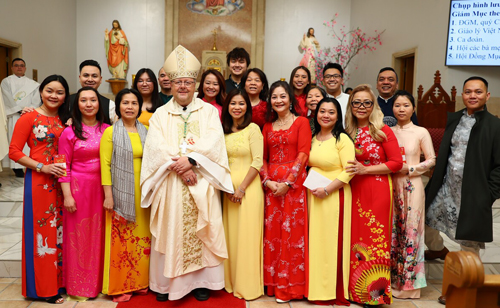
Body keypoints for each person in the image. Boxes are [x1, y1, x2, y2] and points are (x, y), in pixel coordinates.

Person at [140, 45, 234, 302]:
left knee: (201, 230)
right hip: (171, 182)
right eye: (178, 82)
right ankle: (165, 284)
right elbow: (156, 147)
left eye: (187, 82)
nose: (182, 87)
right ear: (170, 84)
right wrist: (181, 168)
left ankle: (200, 283)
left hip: (201, 179)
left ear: (195, 85)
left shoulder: (208, 112)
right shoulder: (160, 113)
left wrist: (192, 161)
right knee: (171, 230)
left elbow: (215, 142)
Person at [424, 76, 500, 305]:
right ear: (462, 96)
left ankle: (463, 289)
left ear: (487, 96)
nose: (473, 96)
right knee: (425, 221)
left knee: (468, 243)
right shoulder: (454, 119)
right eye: (468, 92)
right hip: (446, 186)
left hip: (473, 192)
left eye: (478, 92)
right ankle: (437, 249)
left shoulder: (494, 126)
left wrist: (488, 194)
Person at [8, 75, 71, 304]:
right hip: (39, 183)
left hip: (63, 183)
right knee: (42, 235)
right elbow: (14, 151)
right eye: (49, 90)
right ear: (41, 91)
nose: (54, 95)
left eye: (60, 92)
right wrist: (42, 166)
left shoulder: (67, 119)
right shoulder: (29, 118)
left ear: (65, 96)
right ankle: (44, 289)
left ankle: (60, 282)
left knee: (61, 235)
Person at [344, 84, 403, 306]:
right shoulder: (347, 130)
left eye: (366, 102)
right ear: (351, 105)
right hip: (353, 189)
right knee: (354, 241)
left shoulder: (382, 130)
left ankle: (374, 296)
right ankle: (354, 291)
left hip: (377, 189)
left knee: (374, 239)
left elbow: (396, 163)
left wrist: (365, 169)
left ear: (373, 105)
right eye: (356, 102)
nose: (361, 106)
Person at [260, 81, 311, 303]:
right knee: (273, 237)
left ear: (291, 98)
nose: (278, 100)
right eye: (274, 97)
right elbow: (262, 157)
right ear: (270, 101)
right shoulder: (267, 126)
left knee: (292, 236)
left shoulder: (302, 122)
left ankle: (290, 288)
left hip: (294, 188)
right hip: (272, 189)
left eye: (282, 96)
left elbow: (303, 153)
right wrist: (267, 181)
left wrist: (288, 182)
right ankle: (272, 285)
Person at [58, 87, 109, 301]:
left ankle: (100, 283)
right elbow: (62, 166)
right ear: (76, 104)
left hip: (103, 189)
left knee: (100, 235)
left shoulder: (108, 129)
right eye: (83, 100)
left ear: (99, 103)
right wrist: (67, 195)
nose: (89, 104)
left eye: (93, 100)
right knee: (79, 237)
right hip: (78, 190)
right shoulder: (69, 132)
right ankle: (79, 286)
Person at [100, 88, 151, 302]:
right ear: (118, 106)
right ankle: (120, 285)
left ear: (140, 107)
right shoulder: (111, 132)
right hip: (121, 194)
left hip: (143, 193)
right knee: (121, 241)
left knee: (142, 239)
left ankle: (139, 282)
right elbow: (105, 166)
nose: (129, 107)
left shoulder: (146, 131)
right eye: (125, 103)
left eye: (134, 103)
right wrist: (109, 196)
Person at [307, 97, 355, 305]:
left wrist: (327, 189)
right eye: (322, 111)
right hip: (313, 195)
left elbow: (350, 171)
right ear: (316, 114)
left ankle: (330, 291)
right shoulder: (312, 137)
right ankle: (314, 288)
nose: (325, 115)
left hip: (334, 195)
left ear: (338, 116)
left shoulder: (342, 139)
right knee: (315, 243)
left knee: (330, 242)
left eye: (331, 112)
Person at [390, 90, 436, 299]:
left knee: (411, 233)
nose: (401, 109)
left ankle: (410, 286)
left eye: (406, 105)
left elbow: (431, 160)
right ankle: (392, 280)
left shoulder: (421, 132)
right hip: (391, 186)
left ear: (413, 108)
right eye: (397, 105)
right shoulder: (388, 132)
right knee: (394, 232)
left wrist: (411, 169)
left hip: (412, 185)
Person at [222, 89, 264, 300]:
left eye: (241, 103)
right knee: (231, 237)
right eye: (233, 103)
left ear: (247, 107)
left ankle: (247, 285)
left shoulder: (253, 129)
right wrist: (228, 188)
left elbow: (257, 161)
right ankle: (230, 282)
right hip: (227, 193)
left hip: (248, 190)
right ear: (227, 107)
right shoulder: (224, 131)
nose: (237, 107)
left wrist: (241, 188)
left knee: (247, 236)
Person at [1, 58, 41, 177]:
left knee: (27, 141)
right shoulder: (6, 82)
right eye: (16, 65)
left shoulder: (33, 84)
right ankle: (16, 167)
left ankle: (26, 164)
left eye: (22, 65)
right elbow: (6, 98)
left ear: (25, 68)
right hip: (13, 115)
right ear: (12, 68)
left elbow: (36, 100)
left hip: (28, 115)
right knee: (14, 140)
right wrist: (18, 109)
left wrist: (29, 110)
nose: (19, 67)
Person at [69, 60, 117, 125]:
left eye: (94, 76)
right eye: (86, 75)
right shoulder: (68, 101)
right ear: (80, 78)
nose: (90, 80)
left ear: (100, 79)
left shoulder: (110, 105)